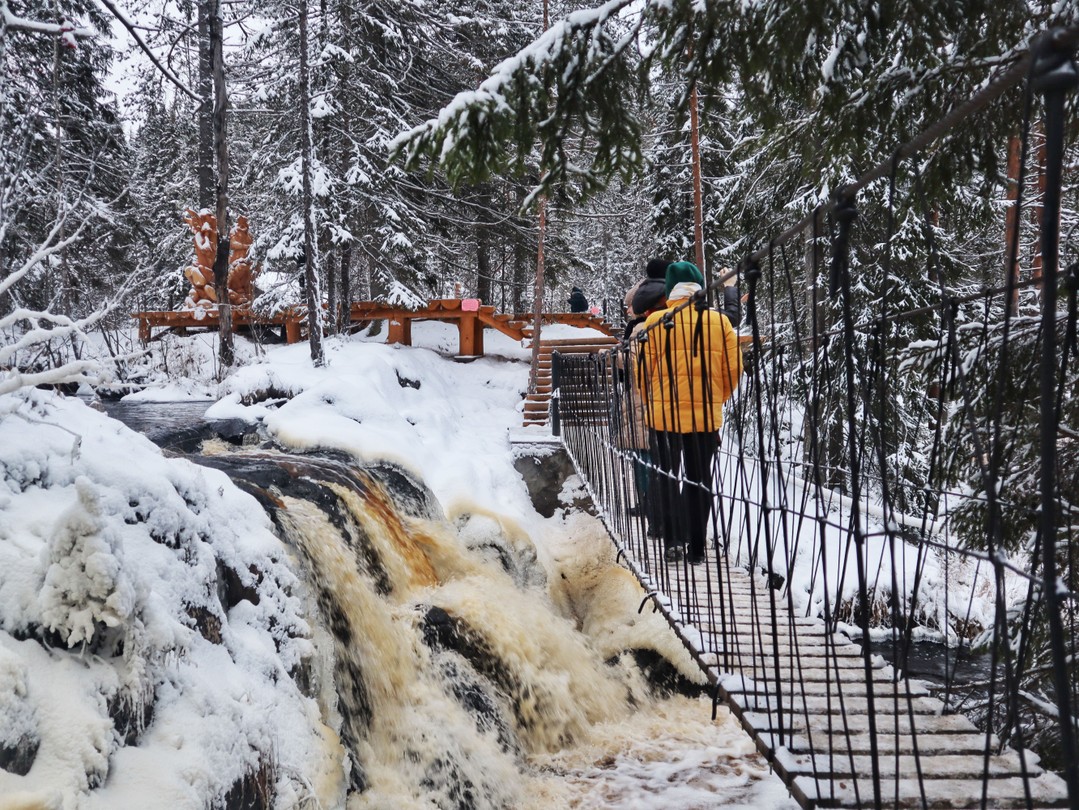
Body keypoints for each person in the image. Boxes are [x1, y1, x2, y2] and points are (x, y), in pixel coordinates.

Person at [639, 261, 743, 564]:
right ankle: (696, 547)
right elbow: (734, 368)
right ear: (699, 285)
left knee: (667, 476)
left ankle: (672, 541)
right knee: (700, 479)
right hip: (704, 418)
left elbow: (643, 371)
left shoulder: (656, 321)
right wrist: (716, 398)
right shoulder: (719, 322)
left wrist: (652, 401)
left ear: (671, 288)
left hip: (664, 416)